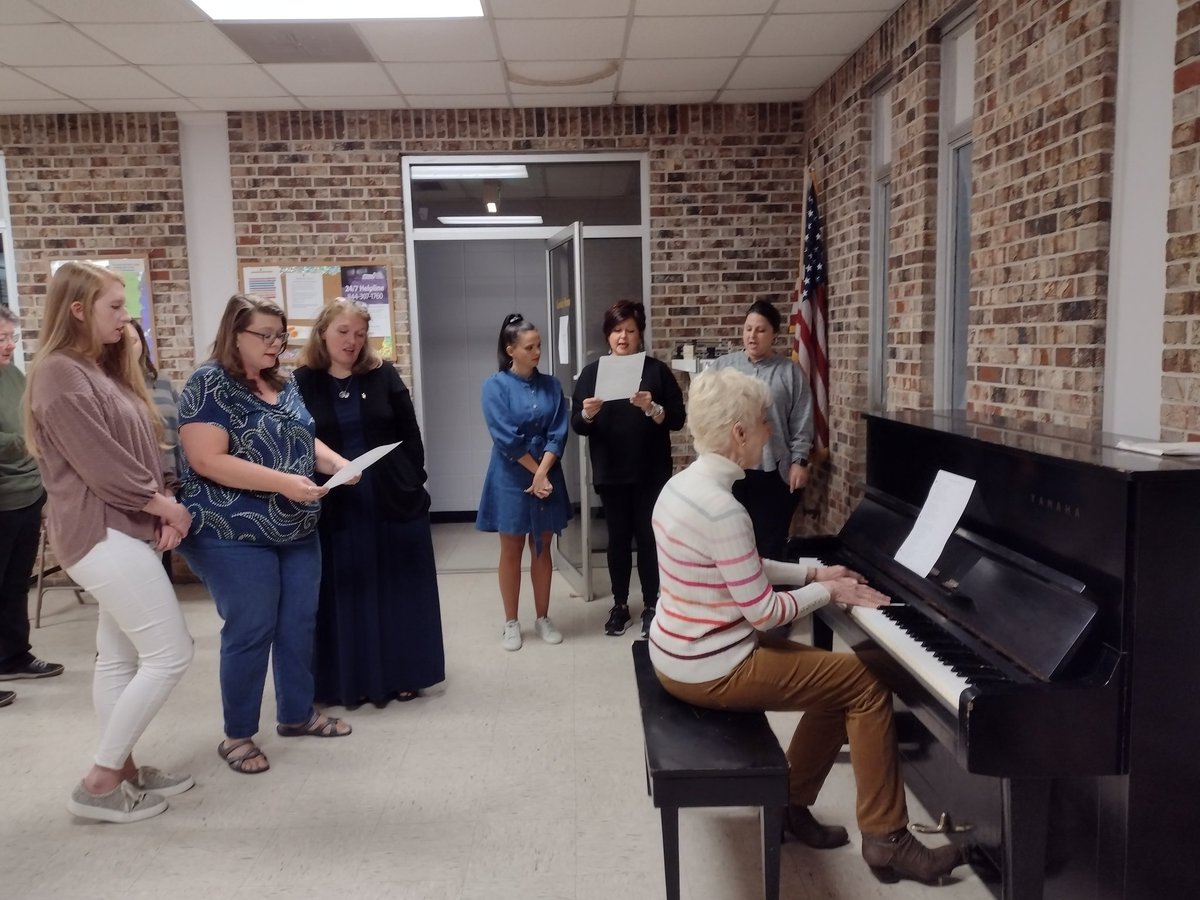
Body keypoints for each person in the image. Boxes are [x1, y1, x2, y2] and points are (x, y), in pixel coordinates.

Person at [648, 367, 965, 885]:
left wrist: (814, 571)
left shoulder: (680, 487)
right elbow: (765, 613)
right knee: (865, 684)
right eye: (763, 422)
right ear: (738, 433)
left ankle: (791, 806)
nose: (771, 432)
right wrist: (829, 591)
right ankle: (888, 839)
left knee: (835, 679)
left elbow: (740, 565)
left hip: (676, 653)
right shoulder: (724, 509)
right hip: (711, 667)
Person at [26, 261, 195, 823]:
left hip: (128, 527)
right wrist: (163, 506)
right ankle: (99, 779)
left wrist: (163, 504)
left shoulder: (98, 370)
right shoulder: (58, 373)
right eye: (115, 307)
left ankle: (120, 769)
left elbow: (146, 449)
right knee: (170, 654)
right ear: (77, 310)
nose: (127, 318)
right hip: (99, 533)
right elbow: (101, 466)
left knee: (119, 659)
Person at [177, 293, 354, 776]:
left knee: (298, 622)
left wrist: (335, 463)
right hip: (230, 528)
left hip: (295, 524)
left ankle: (296, 714)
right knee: (252, 628)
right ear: (235, 334)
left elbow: (299, 437)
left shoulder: (283, 381)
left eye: (281, 336)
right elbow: (207, 460)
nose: (277, 344)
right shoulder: (208, 383)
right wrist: (286, 483)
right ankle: (237, 735)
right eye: (266, 336)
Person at [294, 298, 445, 708]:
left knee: (397, 587)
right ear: (323, 331)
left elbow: (410, 435)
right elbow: (295, 442)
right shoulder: (301, 382)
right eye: (343, 332)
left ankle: (403, 673)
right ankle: (348, 680)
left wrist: (412, 481)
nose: (352, 341)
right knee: (345, 590)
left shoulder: (383, 375)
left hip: (391, 499)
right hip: (336, 507)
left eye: (360, 334)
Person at [570, 300, 684, 638]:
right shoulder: (592, 373)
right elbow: (577, 423)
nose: (623, 337)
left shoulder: (656, 370)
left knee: (649, 539)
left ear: (640, 335)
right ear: (608, 335)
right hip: (611, 472)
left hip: (651, 472)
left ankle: (653, 604)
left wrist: (653, 408)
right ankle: (620, 604)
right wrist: (589, 413)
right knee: (617, 540)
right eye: (617, 331)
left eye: (630, 331)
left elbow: (677, 419)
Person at [477, 313, 571, 651]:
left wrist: (544, 471)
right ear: (510, 349)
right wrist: (537, 472)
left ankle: (543, 616)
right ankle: (511, 622)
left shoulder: (553, 386)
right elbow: (507, 438)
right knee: (512, 547)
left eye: (539, 346)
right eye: (529, 347)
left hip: (545, 471)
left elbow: (559, 432)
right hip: (511, 473)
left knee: (543, 547)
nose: (537, 352)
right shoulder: (494, 386)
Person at [712, 299, 813, 560]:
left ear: (774, 335)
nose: (752, 336)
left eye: (760, 330)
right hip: (732, 469)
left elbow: (802, 420)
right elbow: (709, 413)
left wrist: (799, 461)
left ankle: (772, 597)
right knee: (733, 540)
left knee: (770, 541)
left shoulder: (790, 372)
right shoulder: (723, 367)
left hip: (775, 470)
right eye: (748, 329)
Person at [0, 305, 62, 706]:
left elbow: (32, 420)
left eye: (11, 337)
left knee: (13, 584)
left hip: (24, 493)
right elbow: (26, 432)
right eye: (1, 338)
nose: (8, 346)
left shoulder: (12, 373)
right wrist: (25, 439)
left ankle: (13, 655)